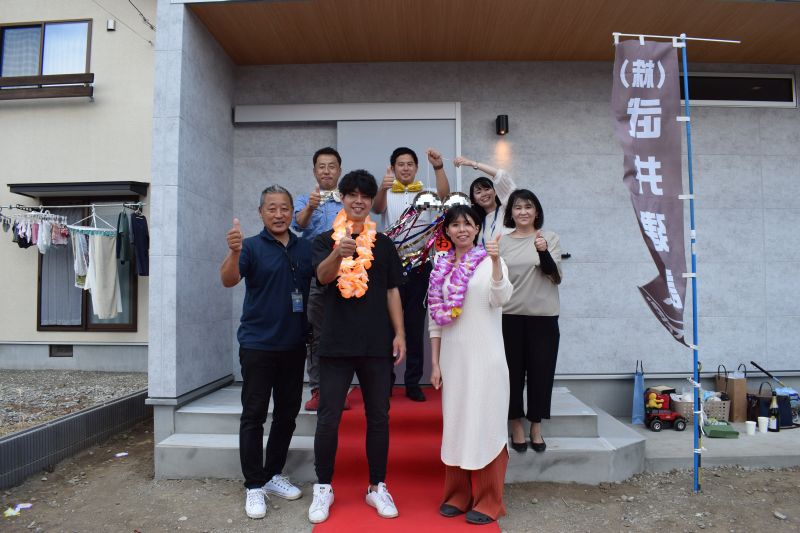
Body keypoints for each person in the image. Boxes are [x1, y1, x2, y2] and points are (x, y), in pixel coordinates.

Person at [308, 169, 407, 524]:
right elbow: (322, 277)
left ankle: (377, 486)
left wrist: (400, 333)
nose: (359, 201)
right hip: (335, 342)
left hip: (376, 343)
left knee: (378, 416)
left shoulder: (385, 244)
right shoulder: (324, 240)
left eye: (365, 196)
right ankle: (324, 486)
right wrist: (339, 252)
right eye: (352, 195)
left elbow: (393, 291)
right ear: (343, 198)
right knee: (328, 417)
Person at [220, 185, 312, 519]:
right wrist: (233, 252)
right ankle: (253, 485)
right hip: (258, 345)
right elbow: (228, 280)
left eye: (284, 208)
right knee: (254, 415)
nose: (278, 214)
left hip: (293, 345)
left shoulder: (304, 248)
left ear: (292, 212)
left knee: (287, 414)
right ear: (261, 212)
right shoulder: (249, 247)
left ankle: (273, 474)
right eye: (271, 208)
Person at [428, 205, 513, 526]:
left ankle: (490, 499)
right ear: (447, 231)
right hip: (453, 359)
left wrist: (496, 262)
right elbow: (435, 320)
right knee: (456, 423)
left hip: (487, 358)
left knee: (487, 422)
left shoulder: (491, 261)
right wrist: (435, 363)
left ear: (477, 228)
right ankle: (457, 494)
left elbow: (501, 297)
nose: (461, 229)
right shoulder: (440, 267)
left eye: (468, 223)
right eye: (455, 224)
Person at [372, 146, 450, 402]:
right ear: (393, 168)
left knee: (415, 326)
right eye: (400, 164)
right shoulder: (386, 191)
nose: (405, 168)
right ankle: (386, 381)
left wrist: (438, 167)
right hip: (391, 266)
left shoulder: (427, 193)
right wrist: (383, 186)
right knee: (386, 325)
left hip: (420, 266)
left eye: (409, 164)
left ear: (416, 167)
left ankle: (413, 382)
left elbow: (446, 197)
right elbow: (376, 208)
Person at [499, 189, 563, 453]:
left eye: (528, 207)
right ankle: (516, 424)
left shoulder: (549, 237)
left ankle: (536, 426)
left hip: (543, 317)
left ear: (537, 211)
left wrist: (543, 251)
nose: (523, 211)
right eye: (517, 207)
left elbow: (555, 276)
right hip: (509, 317)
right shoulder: (501, 241)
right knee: (512, 375)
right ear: (510, 213)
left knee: (541, 373)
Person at [291, 147, 350, 412]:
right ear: (315, 171)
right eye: (321, 167)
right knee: (316, 333)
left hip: (347, 273)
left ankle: (340, 390)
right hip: (315, 273)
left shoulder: (348, 199)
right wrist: (311, 207)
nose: (327, 171)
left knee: (344, 331)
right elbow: (299, 225)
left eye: (331, 166)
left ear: (339, 170)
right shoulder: (306, 199)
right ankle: (317, 389)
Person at [453, 156, 516, 246]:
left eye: (487, 189)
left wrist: (473, 163)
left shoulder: (507, 210)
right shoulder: (476, 223)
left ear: (495, 192)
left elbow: (501, 176)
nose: (484, 194)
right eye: (478, 192)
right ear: (474, 200)